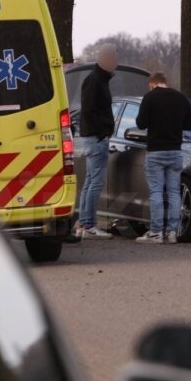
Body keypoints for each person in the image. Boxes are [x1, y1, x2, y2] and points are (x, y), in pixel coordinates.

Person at [135, 72, 191, 244]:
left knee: (156, 192)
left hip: (156, 152)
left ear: (152, 84)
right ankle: (172, 232)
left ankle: (156, 232)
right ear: (165, 82)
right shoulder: (182, 98)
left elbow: (141, 123)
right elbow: (189, 125)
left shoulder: (149, 98)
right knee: (174, 192)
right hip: (175, 151)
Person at [76, 43, 119, 239]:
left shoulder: (98, 79)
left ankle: (84, 222)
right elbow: (89, 109)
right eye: (113, 58)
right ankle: (90, 224)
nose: (115, 63)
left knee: (89, 182)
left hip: (93, 136)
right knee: (96, 183)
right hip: (96, 137)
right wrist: (104, 131)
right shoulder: (95, 81)